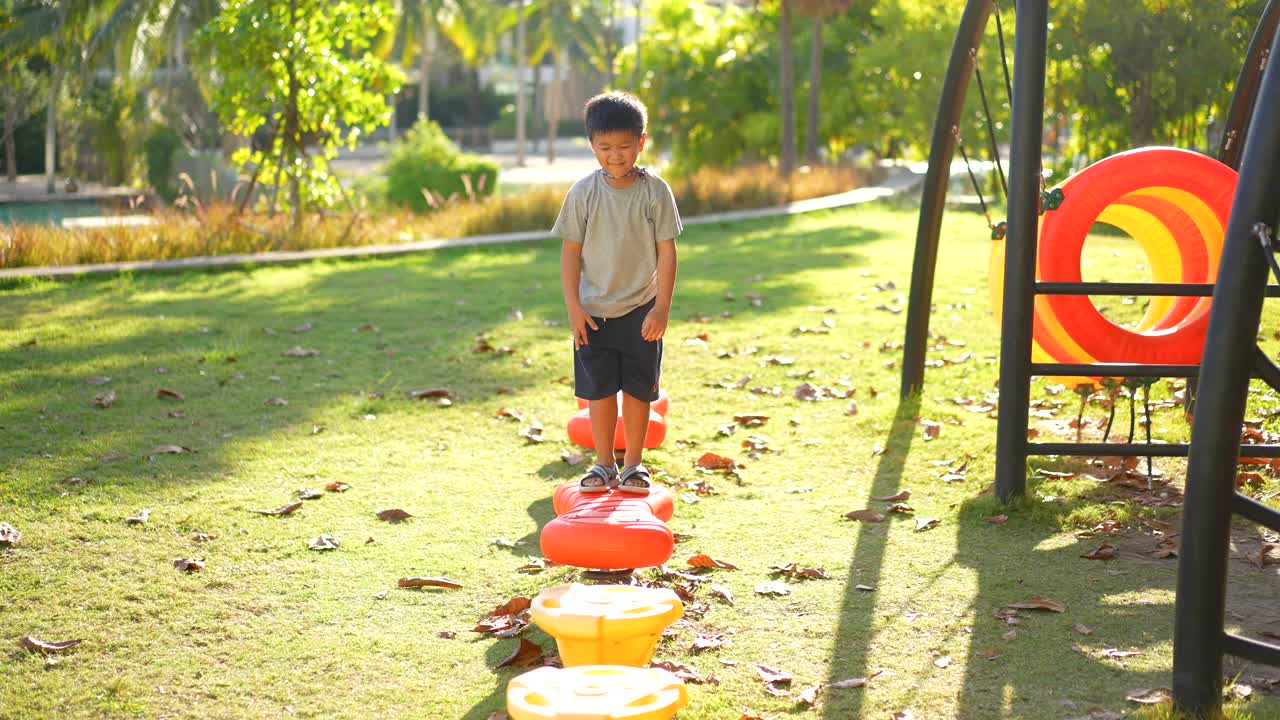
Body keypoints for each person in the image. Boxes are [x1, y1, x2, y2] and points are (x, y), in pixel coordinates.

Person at [552, 91, 682, 495]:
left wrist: (661, 308)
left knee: (639, 390)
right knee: (600, 391)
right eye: (605, 147)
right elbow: (570, 252)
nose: (615, 155)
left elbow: (667, 250)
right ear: (592, 145)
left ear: (641, 142)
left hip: (641, 308)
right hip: (592, 312)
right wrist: (573, 308)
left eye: (625, 146)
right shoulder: (583, 193)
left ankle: (634, 466)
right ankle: (604, 463)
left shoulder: (654, 191)